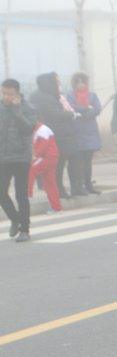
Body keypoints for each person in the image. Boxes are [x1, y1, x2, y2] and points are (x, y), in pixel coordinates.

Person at [29, 72, 76, 199]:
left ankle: (53, 188)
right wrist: (70, 114)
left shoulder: (38, 95)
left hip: (45, 135)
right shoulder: (47, 97)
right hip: (55, 135)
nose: (58, 83)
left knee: (52, 165)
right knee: (57, 166)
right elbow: (54, 115)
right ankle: (58, 190)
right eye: (56, 81)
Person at [1, 78, 37, 242]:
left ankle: (25, 229)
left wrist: (16, 111)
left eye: (10, 93)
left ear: (17, 93)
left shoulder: (27, 107)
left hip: (22, 157)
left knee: (21, 194)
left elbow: (29, 128)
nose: (6, 97)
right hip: (3, 156)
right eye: (4, 93)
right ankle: (15, 219)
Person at [66, 72, 101, 195]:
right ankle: (78, 185)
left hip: (90, 131)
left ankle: (88, 184)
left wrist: (86, 112)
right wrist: (86, 109)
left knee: (88, 161)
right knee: (77, 161)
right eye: (78, 82)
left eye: (83, 82)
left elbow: (97, 109)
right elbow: (71, 108)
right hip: (77, 132)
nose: (81, 84)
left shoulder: (92, 95)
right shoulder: (70, 96)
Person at [28, 121, 62, 213]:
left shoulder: (41, 130)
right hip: (52, 157)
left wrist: (35, 156)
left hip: (46, 157)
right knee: (50, 183)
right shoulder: (43, 129)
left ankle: (27, 193)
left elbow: (43, 146)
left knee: (31, 170)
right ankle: (56, 207)